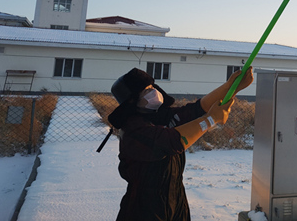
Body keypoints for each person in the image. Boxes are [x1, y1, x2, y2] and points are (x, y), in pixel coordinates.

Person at [107, 66, 254, 221]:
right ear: (132, 101)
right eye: (146, 91)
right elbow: (172, 141)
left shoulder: (159, 116)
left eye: (152, 87)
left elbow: (198, 109)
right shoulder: (133, 130)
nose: (154, 92)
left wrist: (231, 87)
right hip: (144, 208)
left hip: (175, 199)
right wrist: (210, 120)